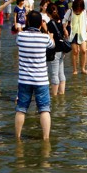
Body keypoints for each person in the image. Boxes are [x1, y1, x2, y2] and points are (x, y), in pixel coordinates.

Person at [14, 11, 55, 141]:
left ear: (27, 22)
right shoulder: (45, 38)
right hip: (41, 79)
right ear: (40, 24)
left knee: (21, 109)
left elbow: (18, 41)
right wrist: (46, 30)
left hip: (24, 79)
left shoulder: (20, 36)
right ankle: (46, 138)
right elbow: (52, 45)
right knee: (44, 109)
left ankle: (18, 137)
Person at [43, 2, 68, 96]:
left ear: (47, 13)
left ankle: (54, 96)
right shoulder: (60, 22)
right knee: (61, 73)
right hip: (62, 50)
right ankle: (61, 93)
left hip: (54, 51)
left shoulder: (50, 24)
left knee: (54, 74)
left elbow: (51, 39)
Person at [67, 0, 87, 73]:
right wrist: (65, 30)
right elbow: (64, 21)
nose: (78, 11)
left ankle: (83, 68)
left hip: (82, 33)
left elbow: (86, 23)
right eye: (77, 10)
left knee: (84, 51)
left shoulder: (84, 12)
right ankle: (75, 69)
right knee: (75, 51)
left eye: (80, 10)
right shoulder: (70, 11)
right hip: (73, 34)